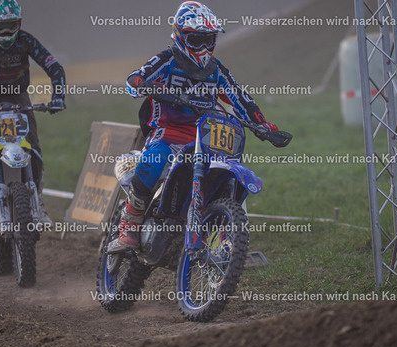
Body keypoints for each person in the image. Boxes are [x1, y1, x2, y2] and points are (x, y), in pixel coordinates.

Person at [107, 1, 279, 253]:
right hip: (168, 133)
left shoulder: (216, 70)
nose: (204, 47)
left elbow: (241, 99)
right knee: (155, 160)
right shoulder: (167, 60)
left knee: (226, 175)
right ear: (180, 36)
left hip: (205, 136)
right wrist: (145, 85)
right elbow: (135, 78)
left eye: (209, 40)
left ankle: (228, 244)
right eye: (197, 40)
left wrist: (263, 125)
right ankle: (129, 226)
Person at [0, 0, 66, 227]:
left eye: (11, 25)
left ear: (19, 23)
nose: (6, 32)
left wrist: (58, 98)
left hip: (17, 99)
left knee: (33, 149)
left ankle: (38, 203)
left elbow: (55, 67)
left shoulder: (25, 40)